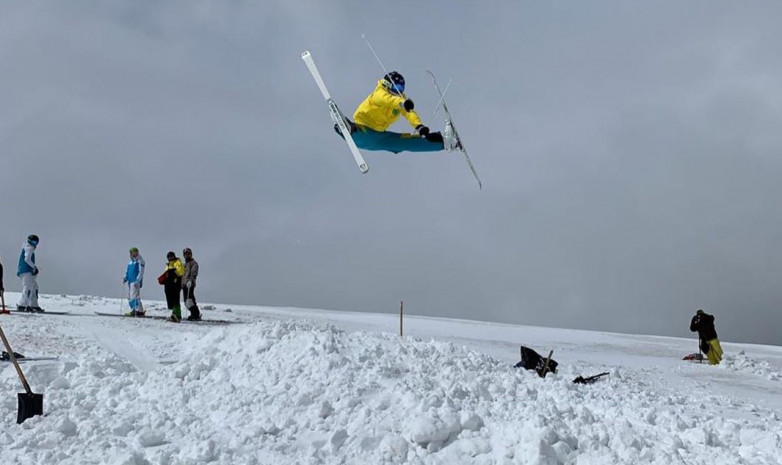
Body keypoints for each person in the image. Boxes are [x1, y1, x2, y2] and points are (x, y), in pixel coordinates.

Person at [335, 71, 459, 154]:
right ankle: (348, 129)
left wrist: (419, 126)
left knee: (403, 143)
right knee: (363, 135)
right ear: (387, 85)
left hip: (379, 135)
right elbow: (388, 100)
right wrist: (402, 103)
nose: (398, 92)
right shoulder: (379, 94)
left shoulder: (400, 99)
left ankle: (444, 143)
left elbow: (409, 113)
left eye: (401, 89)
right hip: (363, 127)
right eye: (396, 88)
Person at [16, 234, 44, 313]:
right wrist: (34, 267)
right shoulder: (29, 248)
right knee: (28, 287)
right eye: (34, 242)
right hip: (26, 270)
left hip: (25, 270)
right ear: (30, 241)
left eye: (36, 243)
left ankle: (33, 304)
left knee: (34, 287)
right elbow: (27, 259)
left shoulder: (27, 247)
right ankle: (22, 305)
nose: (35, 244)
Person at [160, 251, 185, 322]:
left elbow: (181, 271)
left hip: (175, 283)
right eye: (169, 256)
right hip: (169, 284)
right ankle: (175, 313)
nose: (170, 258)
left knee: (175, 298)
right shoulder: (168, 265)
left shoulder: (178, 262)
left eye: (172, 256)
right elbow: (166, 274)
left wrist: (174, 274)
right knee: (171, 298)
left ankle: (177, 314)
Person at [123, 247, 146, 317]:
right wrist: (125, 278)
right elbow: (127, 271)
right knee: (130, 297)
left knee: (135, 296)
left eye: (134, 253)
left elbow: (141, 272)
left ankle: (139, 310)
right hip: (130, 281)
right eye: (131, 253)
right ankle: (135, 309)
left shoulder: (140, 261)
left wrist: (138, 280)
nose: (133, 255)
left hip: (135, 281)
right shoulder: (130, 263)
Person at [182, 247, 201, 321]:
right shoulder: (184, 265)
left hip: (190, 284)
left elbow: (194, 273)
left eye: (188, 254)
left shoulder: (194, 263)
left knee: (190, 300)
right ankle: (193, 314)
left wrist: (191, 280)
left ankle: (196, 314)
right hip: (184, 285)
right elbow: (183, 275)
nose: (187, 255)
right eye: (186, 254)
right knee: (186, 301)